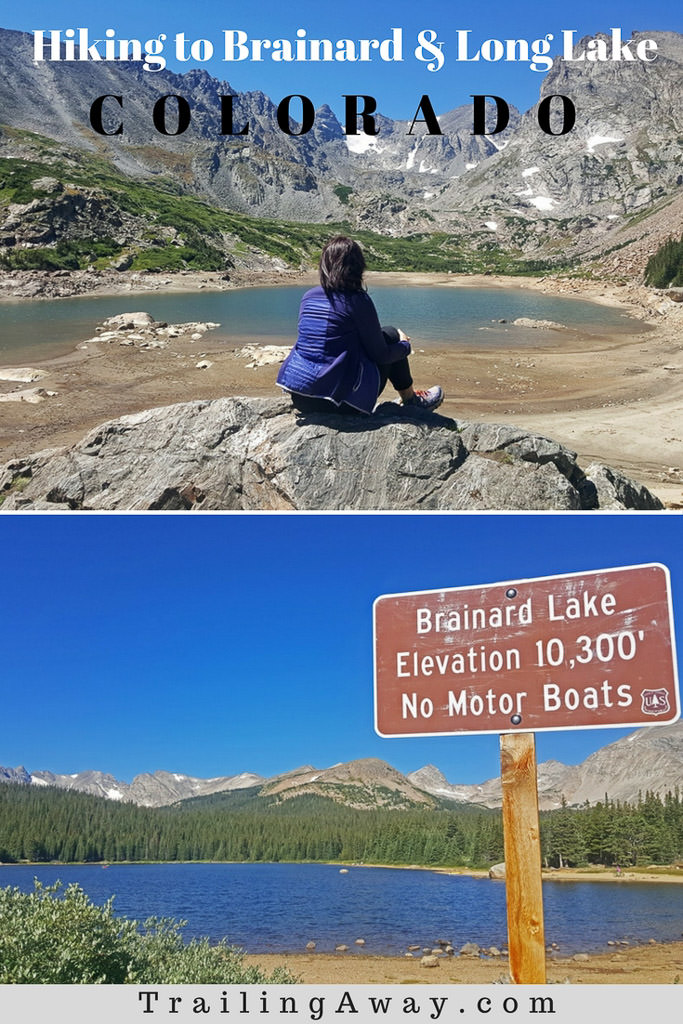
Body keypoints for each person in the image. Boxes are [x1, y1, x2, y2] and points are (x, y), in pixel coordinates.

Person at [276, 236, 444, 415]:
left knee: (382, 335)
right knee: (391, 335)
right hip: (336, 403)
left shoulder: (309, 296)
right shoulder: (357, 300)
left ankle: (410, 398)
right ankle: (411, 400)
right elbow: (381, 355)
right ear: (356, 267)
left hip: (301, 396)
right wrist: (404, 346)